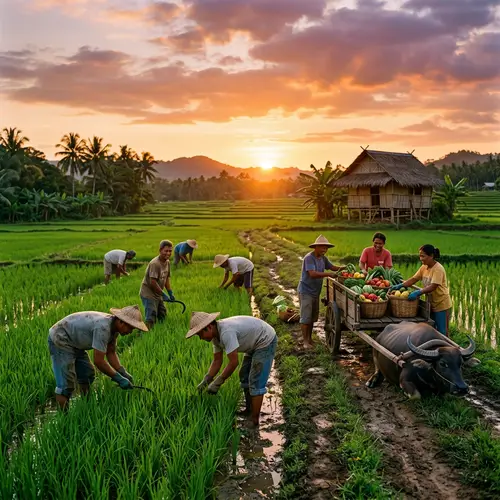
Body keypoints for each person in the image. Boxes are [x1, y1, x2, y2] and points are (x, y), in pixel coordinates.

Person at [48, 305, 148, 410]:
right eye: (130, 327)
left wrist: (122, 372)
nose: (130, 332)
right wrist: (118, 378)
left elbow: (111, 352)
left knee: (87, 373)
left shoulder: (113, 329)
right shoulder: (103, 328)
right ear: (121, 321)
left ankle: (86, 404)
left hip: (75, 343)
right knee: (65, 385)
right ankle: (65, 419)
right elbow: (99, 361)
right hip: (60, 338)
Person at [186, 311, 277, 427]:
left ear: (208, 327)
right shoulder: (215, 337)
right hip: (252, 343)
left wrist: (218, 382)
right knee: (244, 375)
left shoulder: (226, 332)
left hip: (265, 340)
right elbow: (217, 361)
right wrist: (206, 380)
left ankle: (254, 420)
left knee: (256, 380)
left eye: (200, 335)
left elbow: (233, 363)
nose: (200, 338)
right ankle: (249, 410)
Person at [391, 244, 452, 336]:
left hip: (441, 303)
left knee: (442, 331)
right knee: (432, 329)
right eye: (420, 256)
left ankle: (446, 349)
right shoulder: (424, 267)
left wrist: (418, 292)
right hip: (430, 303)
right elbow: (413, 279)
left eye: (423, 256)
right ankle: (434, 348)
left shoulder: (438, 269)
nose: (420, 258)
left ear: (431, 256)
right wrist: (400, 285)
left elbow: (433, 286)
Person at [298, 235, 345, 349]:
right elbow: (312, 274)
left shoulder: (323, 258)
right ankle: (305, 342)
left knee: (313, 317)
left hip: (315, 292)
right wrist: (328, 274)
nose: (324, 250)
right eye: (322, 247)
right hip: (306, 291)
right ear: (316, 247)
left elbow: (332, 267)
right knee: (306, 317)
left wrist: (343, 268)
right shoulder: (309, 258)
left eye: (326, 248)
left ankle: (310, 339)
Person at [140, 240, 175, 329]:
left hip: (157, 293)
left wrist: (170, 292)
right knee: (151, 316)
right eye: (166, 251)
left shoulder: (167, 262)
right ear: (160, 250)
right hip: (148, 294)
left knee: (162, 314)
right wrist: (163, 294)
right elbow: (152, 282)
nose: (168, 253)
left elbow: (166, 278)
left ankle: (160, 331)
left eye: (170, 251)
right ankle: (143, 334)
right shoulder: (155, 264)